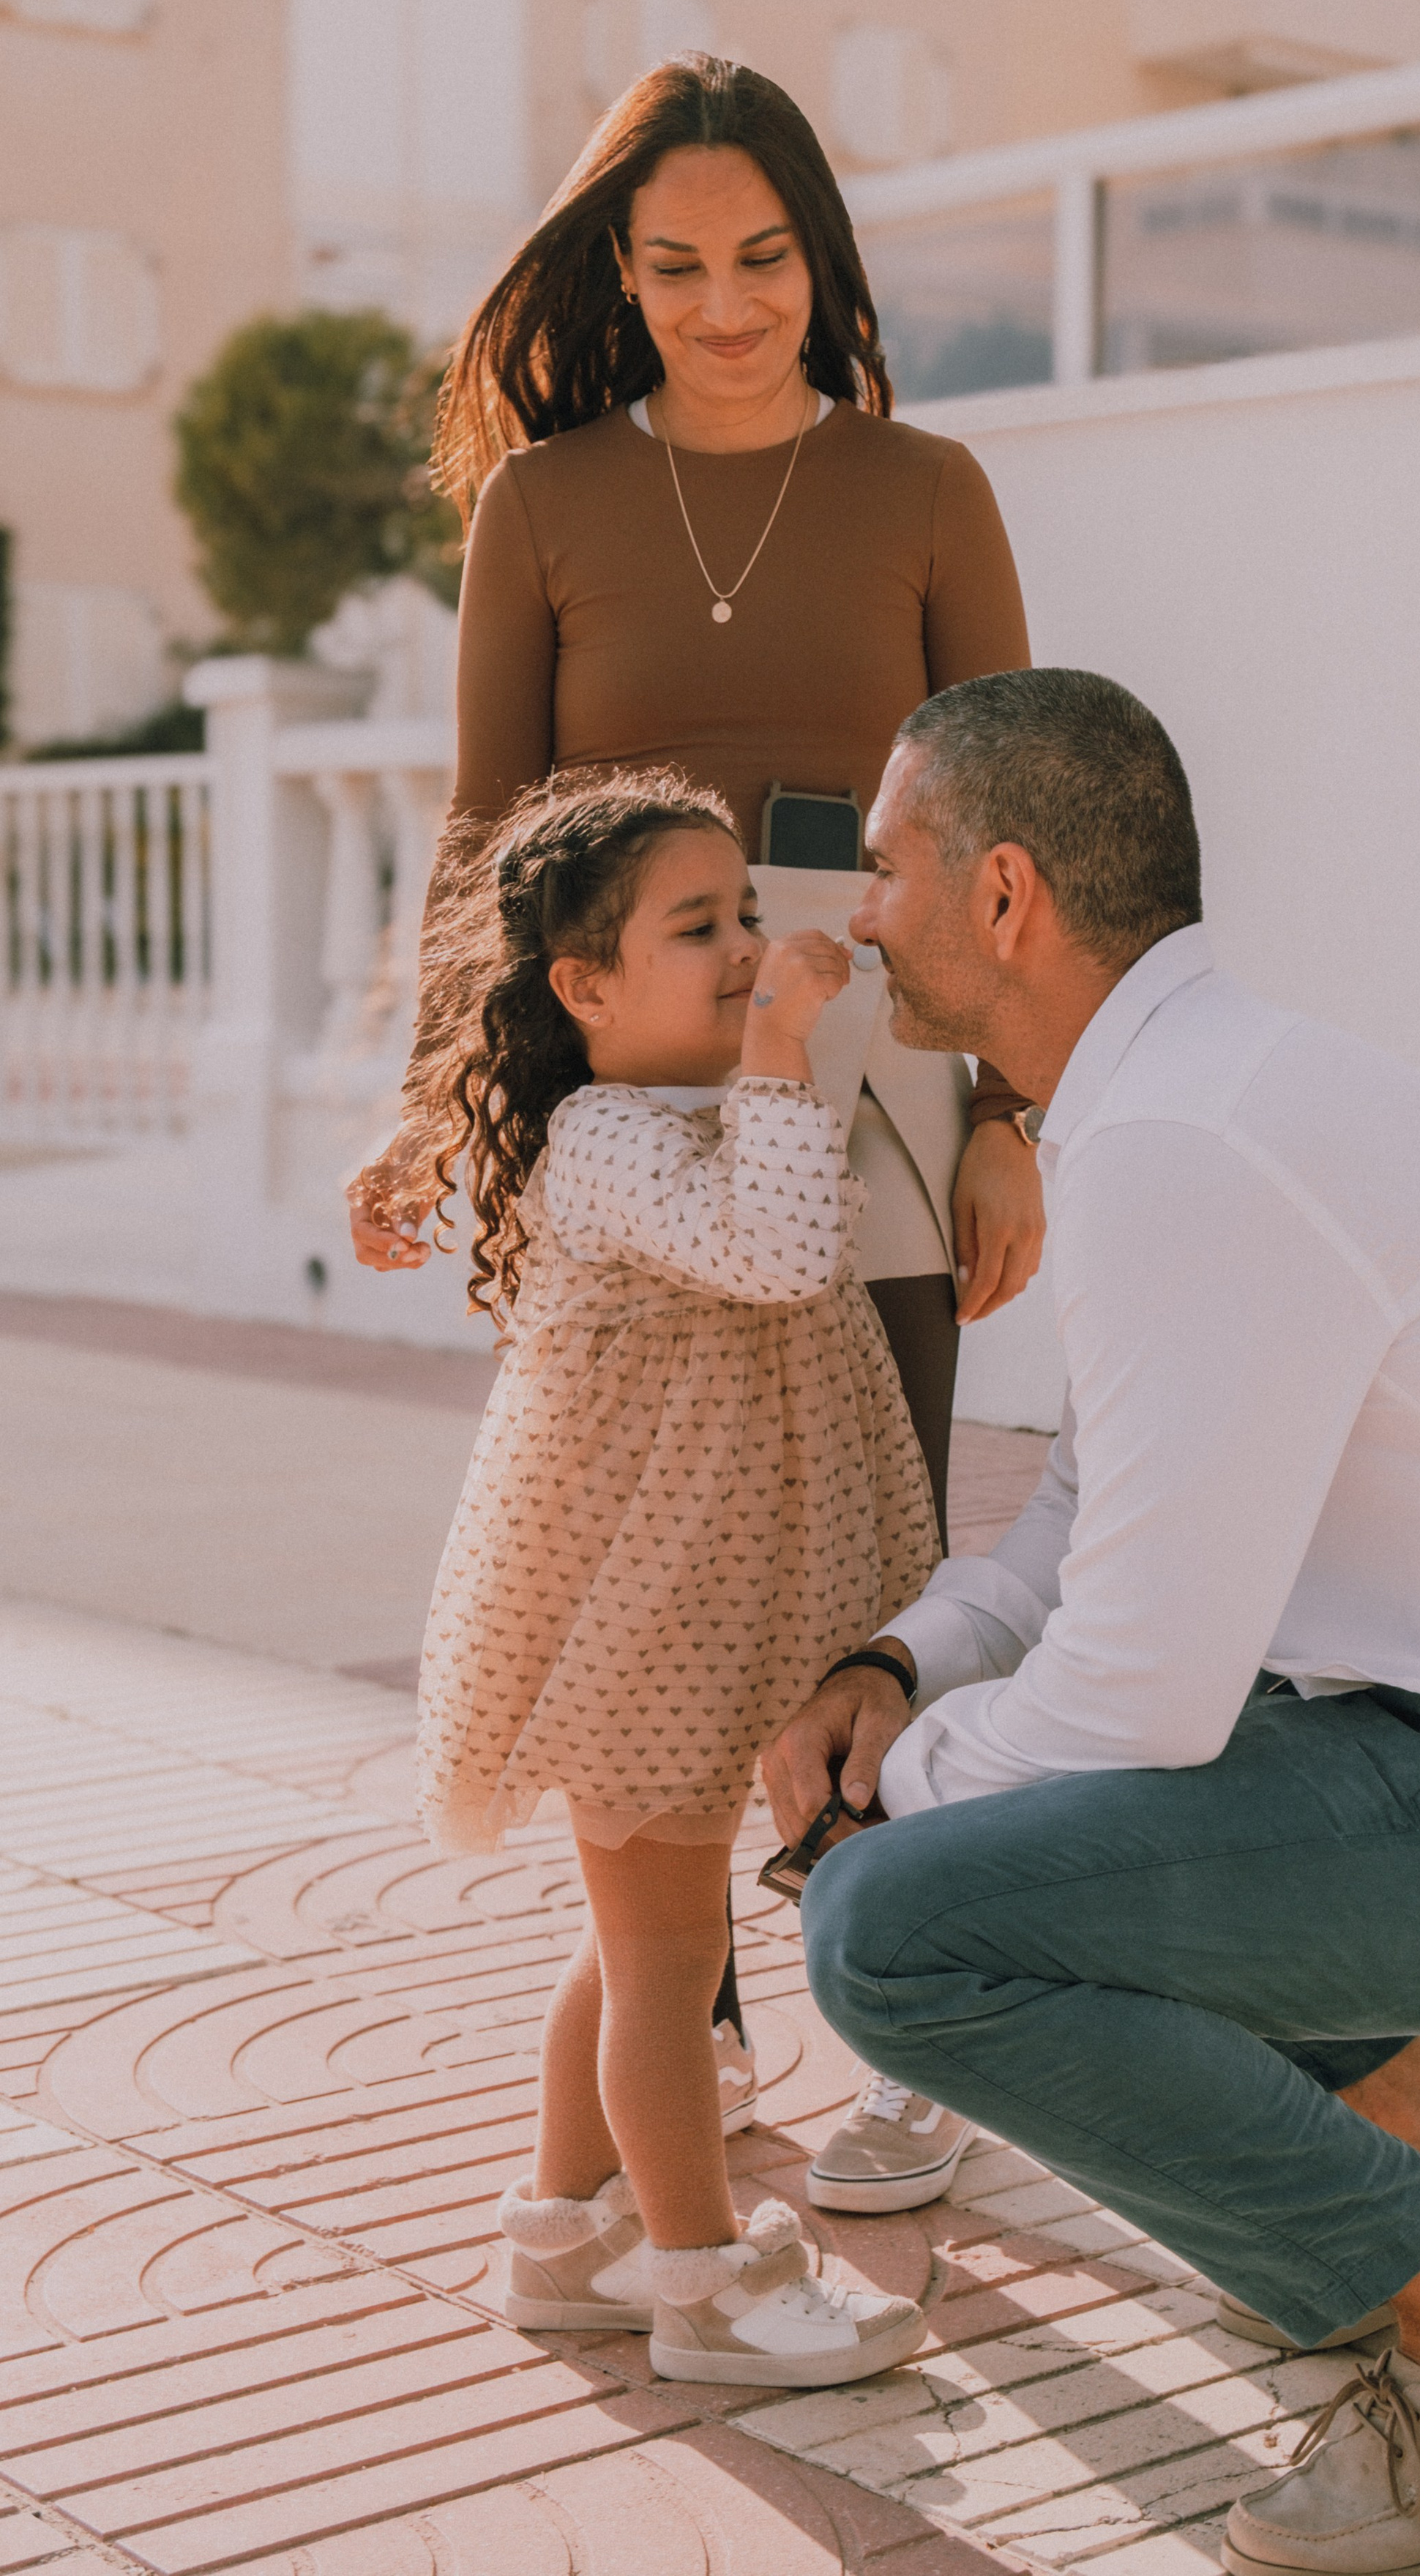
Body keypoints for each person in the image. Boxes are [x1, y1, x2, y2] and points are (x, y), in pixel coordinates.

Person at [765, 668, 1420, 2574]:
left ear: (1002, 896)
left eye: (883, 868)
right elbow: (1077, 1534)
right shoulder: (1185, 1099)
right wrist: (898, 1670)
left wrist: (892, 1797)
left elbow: (1138, 1689)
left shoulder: (1180, 1144)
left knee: (896, 1934)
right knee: (997, 1840)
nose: (856, 913)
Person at [347, 51, 1042, 2110]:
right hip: (623, 1118)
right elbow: (486, 825)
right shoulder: (545, 504)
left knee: (867, 1582)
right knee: (653, 1583)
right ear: (619, 274)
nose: (727, 305)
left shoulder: (931, 491)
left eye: (764, 259)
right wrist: (423, 1105)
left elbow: (1002, 837)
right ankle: (690, 2031)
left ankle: (902, 2037)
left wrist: (1006, 1125)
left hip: (875, 1096)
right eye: (676, 267)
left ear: (819, 260)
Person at [411, 767, 935, 2389]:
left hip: (705, 1607)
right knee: (662, 1958)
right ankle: (700, 2281)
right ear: (582, 988)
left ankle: (564, 2232)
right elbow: (776, 1256)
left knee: (640, 1936)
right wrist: (783, 1049)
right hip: (638, 1621)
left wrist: (776, 1061)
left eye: (745, 916)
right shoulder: (607, 1138)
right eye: (695, 927)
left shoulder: (702, 1115)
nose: (738, 949)